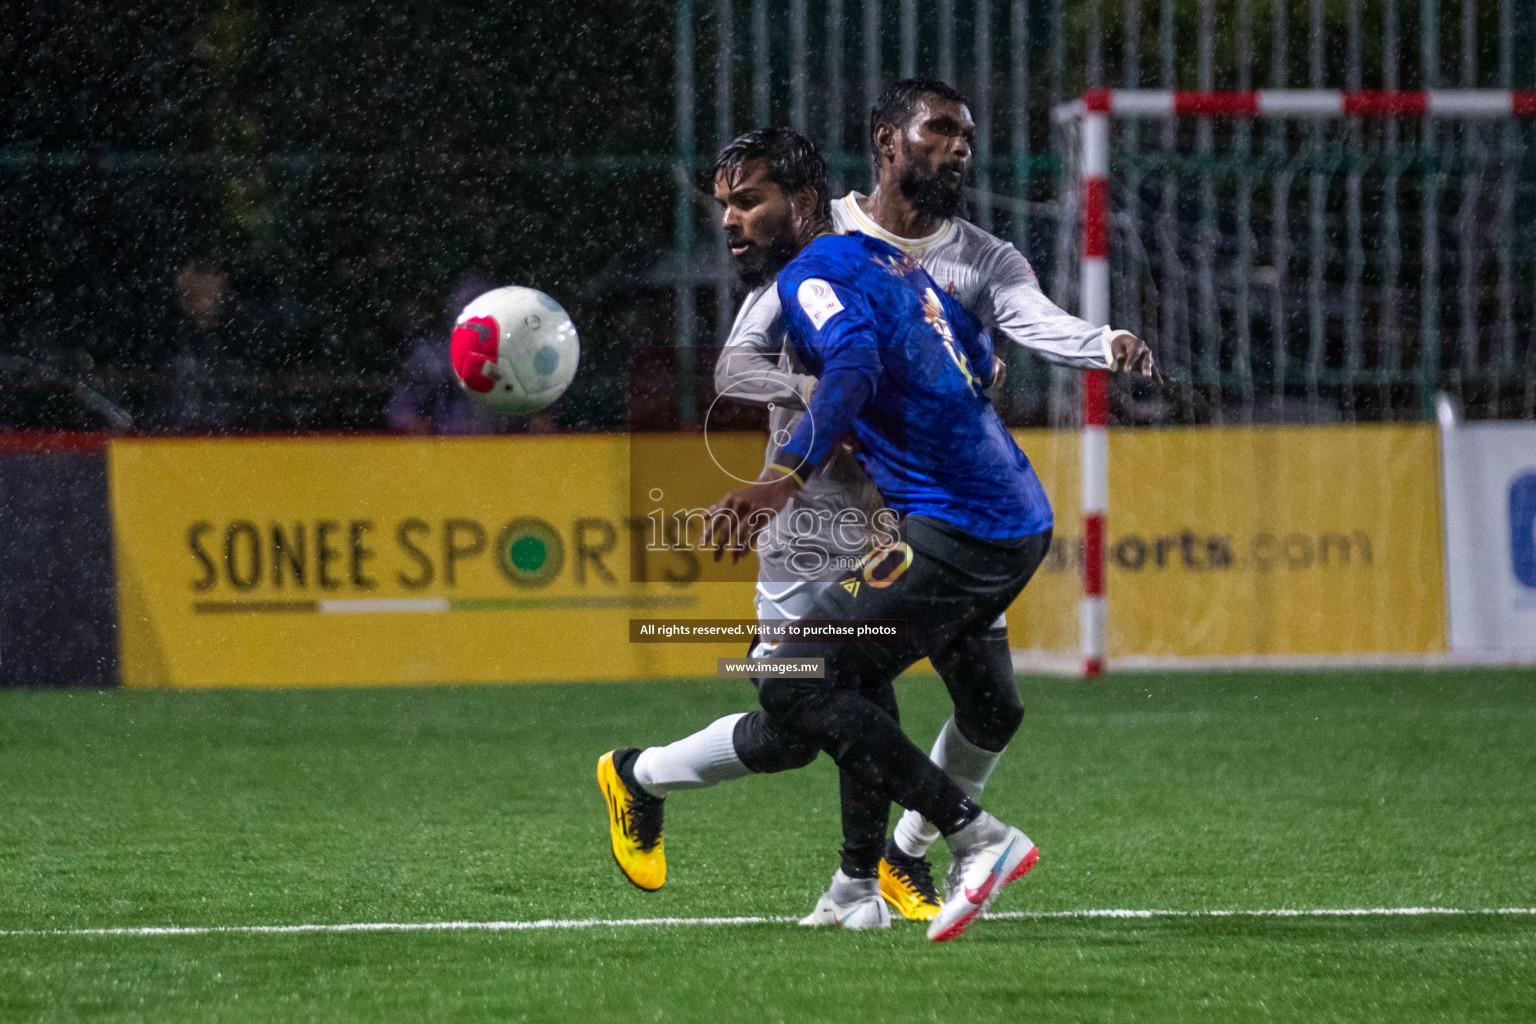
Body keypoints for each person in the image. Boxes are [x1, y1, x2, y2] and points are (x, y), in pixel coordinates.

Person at [599, 97, 1153, 929]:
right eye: (944, 133)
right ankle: (658, 786)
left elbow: (930, 349)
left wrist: (1068, 350)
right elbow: (738, 369)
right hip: (832, 510)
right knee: (805, 701)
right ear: (889, 146)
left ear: (798, 195)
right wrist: (824, 402)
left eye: (745, 201)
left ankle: (900, 864)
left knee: (894, 694)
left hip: (929, 507)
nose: (729, 220)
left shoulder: (950, 260)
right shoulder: (849, 253)